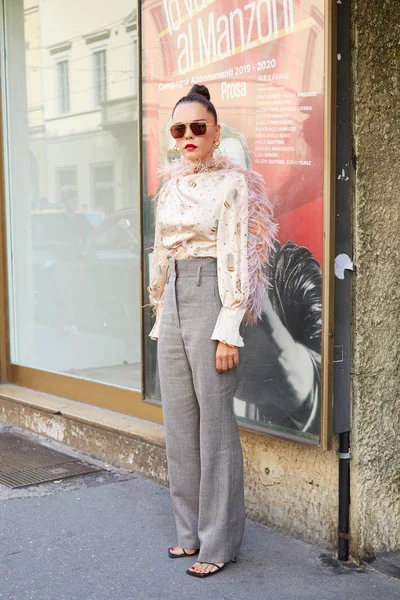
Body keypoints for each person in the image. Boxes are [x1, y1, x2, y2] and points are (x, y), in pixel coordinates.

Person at [148, 84, 276, 578]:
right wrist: (162, 312)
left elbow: (239, 258)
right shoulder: (171, 184)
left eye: (197, 127)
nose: (187, 136)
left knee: (216, 426)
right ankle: (188, 533)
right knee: (179, 424)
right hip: (175, 297)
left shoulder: (233, 183)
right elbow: (161, 253)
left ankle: (218, 542)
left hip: (211, 295)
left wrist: (228, 329)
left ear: (216, 131)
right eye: (178, 129)